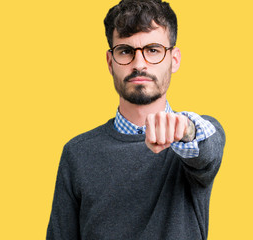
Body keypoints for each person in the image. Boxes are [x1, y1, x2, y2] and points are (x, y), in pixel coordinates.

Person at [46, 0, 225, 239]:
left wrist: (184, 129)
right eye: (125, 51)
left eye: (153, 50)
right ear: (110, 63)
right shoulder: (77, 153)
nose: (139, 64)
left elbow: (206, 147)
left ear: (174, 59)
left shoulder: (191, 143)